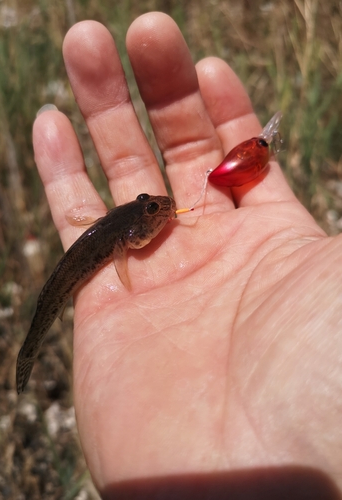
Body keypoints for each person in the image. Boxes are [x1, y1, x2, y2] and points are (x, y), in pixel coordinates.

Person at [32, 12, 342, 500]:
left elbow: (128, 226)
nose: (158, 209)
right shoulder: (118, 241)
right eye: (148, 211)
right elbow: (118, 240)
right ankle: (27, 355)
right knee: (45, 311)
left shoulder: (136, 222)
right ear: (125, 238)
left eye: (153, 208)